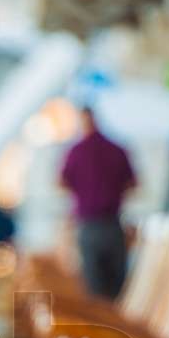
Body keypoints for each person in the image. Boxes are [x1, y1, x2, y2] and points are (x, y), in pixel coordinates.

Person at [58, 106, 137, 299]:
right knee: (117, 288)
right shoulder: (116, 149)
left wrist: (81, 193)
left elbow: (61, 182)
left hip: (89, 225)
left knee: (94, 289)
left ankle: (101, 327)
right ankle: (113, 327)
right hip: (112, 224)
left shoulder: (75, 152)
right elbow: (133, 183)